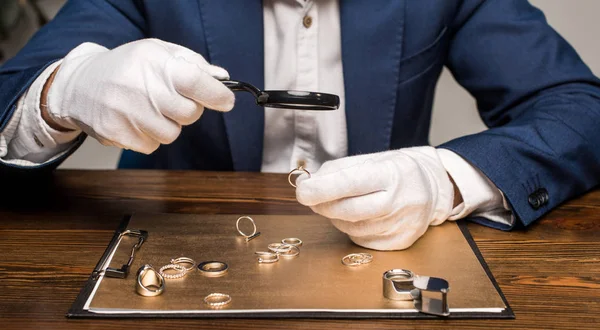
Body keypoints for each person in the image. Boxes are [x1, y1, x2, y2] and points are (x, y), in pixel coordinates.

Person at [0, 0, 599, 250]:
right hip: (172, 251)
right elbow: (12, 95)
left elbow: (580, 106)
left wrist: (442, 178)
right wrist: (63, 91)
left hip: (383, 252)